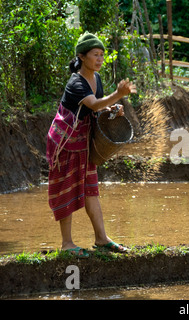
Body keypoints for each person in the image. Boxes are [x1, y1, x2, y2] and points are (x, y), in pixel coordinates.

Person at [46, 32, 136, 257]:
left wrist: (112, 108)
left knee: (90, 190)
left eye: (102, 55)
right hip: (66, 142)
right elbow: (94, 104)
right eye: (95, 55)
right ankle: (67, 243)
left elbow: (96, 108)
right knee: (66, 190)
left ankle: (101, 238)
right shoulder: (76, 82)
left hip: (84, 142)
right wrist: (118, 95)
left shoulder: (96, 79)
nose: (99, 59)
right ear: (82, 57)